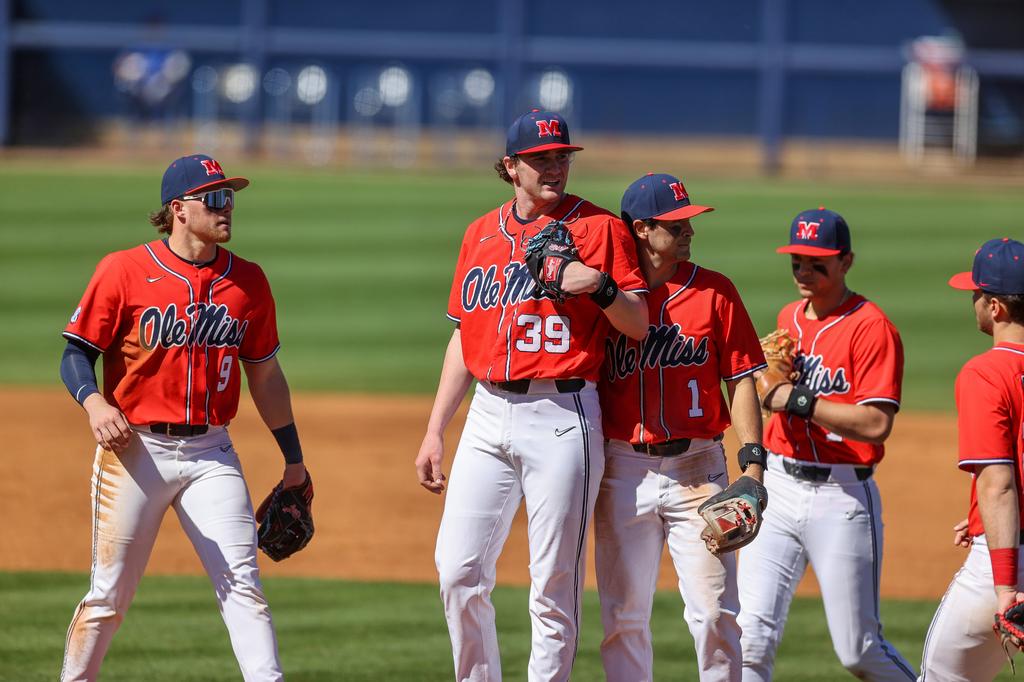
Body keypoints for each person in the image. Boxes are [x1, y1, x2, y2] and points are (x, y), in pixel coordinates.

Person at [414, 109, 648, 682]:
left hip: (563, 412)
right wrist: (434, 428)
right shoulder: (479, 234)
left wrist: (597, 284)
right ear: (511, 167)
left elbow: (638, 323)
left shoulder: (600, 229)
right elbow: (463, 338)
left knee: (552, 584)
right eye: (541, 159)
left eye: (562, 157)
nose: (555, 168)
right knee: (457, 570)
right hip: (488, 413)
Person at [58, 154, 307, 682]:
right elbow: (76, 353)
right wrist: (95, 403)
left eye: (230, 196)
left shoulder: (248, 282)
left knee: (243, 585)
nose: (227, 207)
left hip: (212, 453)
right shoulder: (123, 270)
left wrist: (294, 458)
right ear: (179, 209)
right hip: (134, 452)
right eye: (214, 198)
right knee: (110, 594)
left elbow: (265, 375)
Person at [595, 173, 768, 681]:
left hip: (699, 467)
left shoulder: (715, 291)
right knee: (623, 619)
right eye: (677, 223)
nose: (689, 229)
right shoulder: (606, 298)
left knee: (716, 615)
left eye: (689, 220)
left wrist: (752, 464)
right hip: (622, 468)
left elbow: (741, 381)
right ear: (643, 230)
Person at [736, 208, 917, 681]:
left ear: (846, 262)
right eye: (797, 262)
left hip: (841, 496)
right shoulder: (788, 318)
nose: (804, 273)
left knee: (860, 651)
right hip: (778, 486)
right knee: (749, 638)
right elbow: (768, 395)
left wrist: (793, 398)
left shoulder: (872, 327)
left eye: (817, 264)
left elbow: (876, 422)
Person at [918, 237, 1024, 681]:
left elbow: (999, 482)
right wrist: (980, 514)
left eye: (976, 295)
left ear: (996, 307)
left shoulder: (986, 373)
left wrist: (1006, 587)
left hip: (1005, 565)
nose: (974, 303)